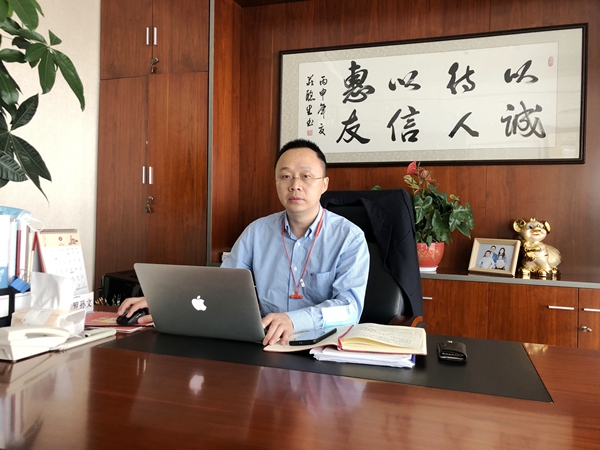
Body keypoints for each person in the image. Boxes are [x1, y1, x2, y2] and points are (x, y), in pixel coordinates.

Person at [118, 139, 370, 346]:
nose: (295, 185)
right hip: (264, 344)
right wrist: (164, 301)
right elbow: (221, 287)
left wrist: (294, 320)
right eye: (285, 176)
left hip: (321, 348)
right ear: (276, 183)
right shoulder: (257, 232)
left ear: (324, 184)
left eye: (306, 176)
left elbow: (350, 309)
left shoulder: (349, 238)